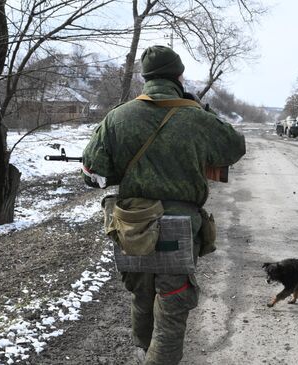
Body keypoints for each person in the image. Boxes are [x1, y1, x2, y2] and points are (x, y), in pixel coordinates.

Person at [81, 45, 245, 365]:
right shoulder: (196, 117)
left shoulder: (118, 117)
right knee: (171, 309)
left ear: (145, 77)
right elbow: (234, 147)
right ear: (179, 76)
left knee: (142, 298)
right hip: (178, 230)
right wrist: (202, 109)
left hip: (132, 227)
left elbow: (92, 174)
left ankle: (144, 352)